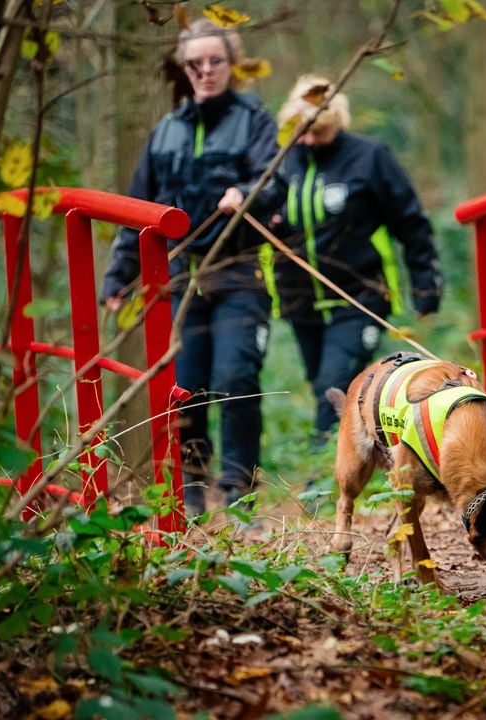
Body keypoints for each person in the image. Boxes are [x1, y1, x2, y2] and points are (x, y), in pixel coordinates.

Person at [100, 19, 279, 519]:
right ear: (185, 70)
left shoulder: (255, 120)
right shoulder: (166, 131)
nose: (205, 72)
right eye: (195, 64)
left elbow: (275, 182)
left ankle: (241, 496)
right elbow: (138, 207)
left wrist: (246, 194)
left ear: (230, 64)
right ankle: (193, 493)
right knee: (187, 388)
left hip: (239, 272)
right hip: (180, 278)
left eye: (214, 62)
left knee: (236, 378)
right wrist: (119, 275)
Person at [259, 74, 443, 446]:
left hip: (360, 293)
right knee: (321, 387)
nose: (309, 141)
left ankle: (323, 472)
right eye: (303, 133)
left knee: (335, 383)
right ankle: (362, 454)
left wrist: (426, 287)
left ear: (337, 124)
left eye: (319, 134)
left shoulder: (369, 157)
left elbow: (410, 223)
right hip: (300, 298)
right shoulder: (282, 161)